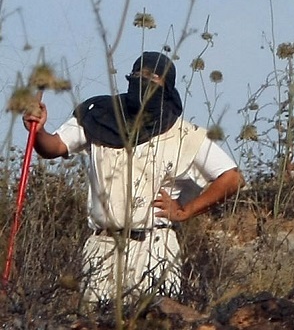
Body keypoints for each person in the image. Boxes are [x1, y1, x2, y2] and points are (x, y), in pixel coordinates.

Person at [23, 52, 243, 305]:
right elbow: (54, 147)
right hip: (102, 246)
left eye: (152, 77)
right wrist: (38, 130)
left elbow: (231, 178)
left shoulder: (184, 134)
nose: (142, 80)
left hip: (155, 246)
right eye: (138, 74)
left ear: (166, 86)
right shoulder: (99, 116)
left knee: (157, 319)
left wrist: (185, 211)